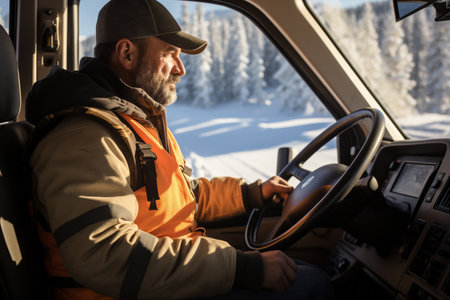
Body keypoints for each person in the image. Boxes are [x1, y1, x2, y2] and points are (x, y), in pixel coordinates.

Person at [26, 0, 334, 299]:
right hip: (130, 292)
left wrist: (253, 193)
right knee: (312, 285)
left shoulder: (135, 122)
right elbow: (103, 252)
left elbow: (184, 195)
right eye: (171, 54)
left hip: (166, 280)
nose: (181, 69)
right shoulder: (84, 136)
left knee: (299, 273)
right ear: (126, 53)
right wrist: (240, 269)